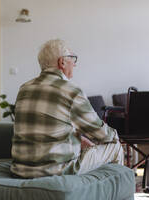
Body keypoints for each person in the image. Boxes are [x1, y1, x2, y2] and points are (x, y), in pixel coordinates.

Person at [10, 39, 124, 178]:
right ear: (62, 62)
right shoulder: (71, 91)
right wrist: (115, 136)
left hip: (21, 169)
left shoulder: (24, 88)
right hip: (56, 170)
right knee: (115, 147)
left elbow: (50, 128)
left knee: (87, 145)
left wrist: (80, 140)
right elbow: (101, 133)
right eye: (72, 58)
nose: (75, 64)